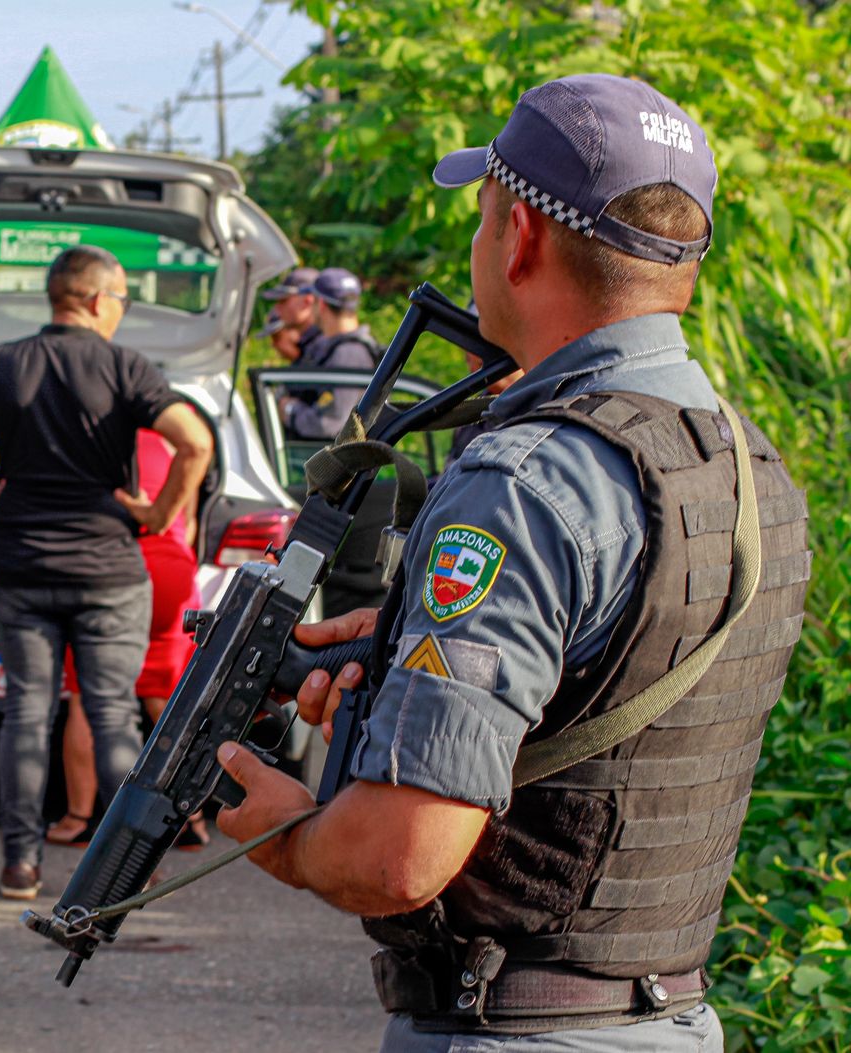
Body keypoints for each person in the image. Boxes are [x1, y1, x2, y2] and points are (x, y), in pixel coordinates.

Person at [214, 74, 808, 1051]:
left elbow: (396, 859)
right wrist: (414, 633)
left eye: (483, 217)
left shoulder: (522, 481)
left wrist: (279, 827)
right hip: (674, 1019)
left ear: (520, 236)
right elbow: (626, 665)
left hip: (512, 1031)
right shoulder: (745, 462)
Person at [0, 244, 214, 901]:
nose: (122, 312)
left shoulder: (1, 363)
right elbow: (196, 442)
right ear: (99, 300)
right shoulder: (125, 367)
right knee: (111, 715)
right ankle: (129, 866)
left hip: (20, 564)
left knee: (25, 713)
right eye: (123, 300)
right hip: (107, 568)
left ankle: (20, 864)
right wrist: (158, 513)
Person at [46, 427, 210, 851]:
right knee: (167, 696)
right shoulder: (179, 441)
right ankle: (189, 818)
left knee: (88, 693)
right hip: (171, 569)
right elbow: (187, 522)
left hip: (110, 566)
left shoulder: (84, 440)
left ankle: (79, 818)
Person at [264, 266, 379, 440]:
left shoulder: (349, 354)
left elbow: (328, 424)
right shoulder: (335, 349)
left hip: (329, 465)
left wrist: (289, 409)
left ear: (322, 304)